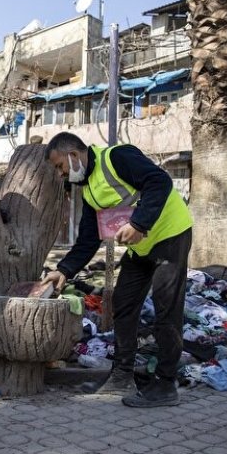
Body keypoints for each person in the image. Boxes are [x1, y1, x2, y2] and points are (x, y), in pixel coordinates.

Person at [41, 132, 192, 408]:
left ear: (73, 155)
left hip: (170, 235)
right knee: (123, 302)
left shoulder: (117, 158)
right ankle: (122, 374)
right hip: (142, 248)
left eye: (60, 166)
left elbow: (160, 181)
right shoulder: (88, 190)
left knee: (166, 309)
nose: (61, 174)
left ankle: (166, 384)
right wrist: (64, 270)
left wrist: (138, 224)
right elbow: (88, 238)